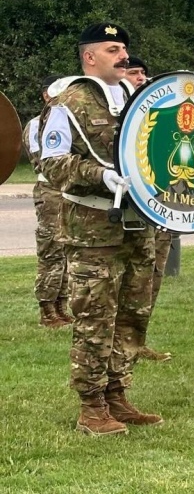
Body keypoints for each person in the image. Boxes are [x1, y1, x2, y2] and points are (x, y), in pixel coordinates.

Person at [38, 22, 161, 435]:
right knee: (95, 315)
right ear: (90, 57)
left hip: (137, 223)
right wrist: (98, 174)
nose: (123, 55)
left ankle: (117, 393)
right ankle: (91, 406)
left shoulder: (136, 97)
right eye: (112, 49)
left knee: (133, 312)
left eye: (124, 47)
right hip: (93, 226)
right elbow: (50, 161)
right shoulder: (67, 102)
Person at [128, 55, 173, 363]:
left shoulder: (157, 113)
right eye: (134, 73)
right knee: (130, 280)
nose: (141, 77)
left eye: (144, 72)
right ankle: (125, 344)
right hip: (130, 212)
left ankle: (139, 339)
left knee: (153, 276)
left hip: (162, 207)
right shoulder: (120, 114)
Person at [23, 75, 72, 329]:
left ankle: (62, 305)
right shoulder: (35, 125)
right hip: (50, 190)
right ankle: (47, 309)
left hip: (68, 191)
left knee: (66, 250)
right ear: (46, 95)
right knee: (51, 250)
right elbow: (42, 160)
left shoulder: (71, 120)